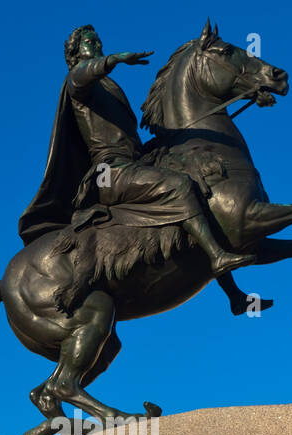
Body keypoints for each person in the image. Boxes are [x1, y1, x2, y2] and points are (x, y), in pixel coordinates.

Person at [18, 25, 255, 277]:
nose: (97, 46)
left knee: (199, 182)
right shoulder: (78, 80)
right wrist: (115, 59)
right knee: (179, 185)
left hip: (133, 163)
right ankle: (217, 257)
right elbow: (81, 76)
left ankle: (233, 291)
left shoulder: (109, 87)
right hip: (108, 173)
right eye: (90, 43)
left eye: (98, 42)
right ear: (75, 53)